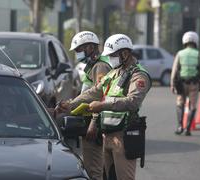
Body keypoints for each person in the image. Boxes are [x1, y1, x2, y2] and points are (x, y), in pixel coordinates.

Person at [56, 34, 152, 180]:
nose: (110, 59)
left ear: (125, 53)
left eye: (113, 55)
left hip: (123, 135)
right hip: (108, 133)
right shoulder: (114, 73)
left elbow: (133, 101)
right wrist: (69, 105)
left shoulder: (138, 75)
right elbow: (94, 92)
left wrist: (102, 106)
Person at [69, 31, 112, 180]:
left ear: (90, 47)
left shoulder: (100, 66)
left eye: (79, 50)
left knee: (94, 170)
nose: (77, 54)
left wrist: (94, 122)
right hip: (90, 120)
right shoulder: (92, 66)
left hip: (95, 123)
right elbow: (85, 94)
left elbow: (101, 98)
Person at [170, 31, 200, 136]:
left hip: (181, 84)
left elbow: (174, 70)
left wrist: (172, 84)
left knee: (180, 104)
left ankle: (179, 127)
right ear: (196, 41)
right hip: (194, 84)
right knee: (192, 106)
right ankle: (187, 129)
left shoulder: (180, 53)